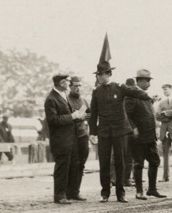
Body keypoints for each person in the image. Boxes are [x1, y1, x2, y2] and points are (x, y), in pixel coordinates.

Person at [88, 60, 154, 203]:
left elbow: (134, 91)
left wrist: (148, 96)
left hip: (120, 131)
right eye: (98, 74)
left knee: (120, 162)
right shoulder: (97, 91)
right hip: (104, 132)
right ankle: (105, 193)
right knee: (104, 163)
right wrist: (92, 133)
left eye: (101, 74)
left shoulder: (119, 87)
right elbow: (93, 113)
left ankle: (120, 193)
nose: (99, 77)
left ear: (109, 74)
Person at [45, 73, 88, 204]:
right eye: (68, 82)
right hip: (61, 140)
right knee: (62, 168)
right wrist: (72, 116)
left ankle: (71, 193)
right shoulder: (51, 99)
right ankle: (59, 196)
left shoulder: (62, 96)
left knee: (72, 166)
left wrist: (78, 117)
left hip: (69, 139)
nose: (69, 84)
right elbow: (53, 120)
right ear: (62, 83)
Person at [126, 69, 166, 200]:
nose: (149, 83)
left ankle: (152, 189)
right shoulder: (132, 95)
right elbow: (126, 115)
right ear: (139, 81)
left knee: (155, 161)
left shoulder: (145, 96)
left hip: (149, 136)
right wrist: (133, 128)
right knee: (139, 163)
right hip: (138, 137)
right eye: (147, 81)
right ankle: (139, 191)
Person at [67, 76, 91, 200]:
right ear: (70, 86)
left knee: (81, 164)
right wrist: (79, 117)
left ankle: (76, 191)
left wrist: (87, 117)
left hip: (82, 136)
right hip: (70, 137)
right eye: (75, 86)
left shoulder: (84, 101)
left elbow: (91, 114)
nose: (78, 88)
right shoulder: (66, 100)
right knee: (71, 164)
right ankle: (68, 191)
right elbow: (65, 118)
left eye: (80, 85)